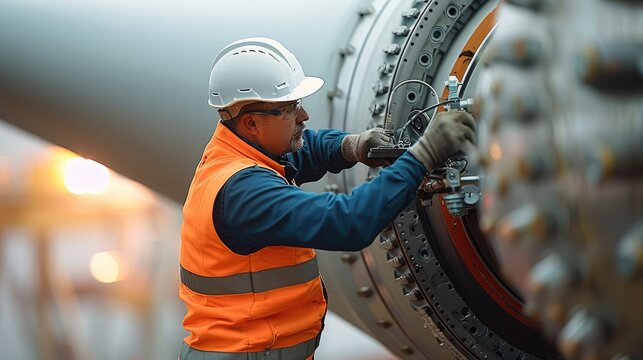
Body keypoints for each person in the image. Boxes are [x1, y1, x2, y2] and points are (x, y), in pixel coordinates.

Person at [178, 37, 476, 360]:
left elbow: (308, 149)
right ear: (251, 122)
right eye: (291, 108)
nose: (304, 115)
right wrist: (424, 156)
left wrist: (353, 145)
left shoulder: (240, 152)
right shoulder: (243, 193)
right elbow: (348, 221)